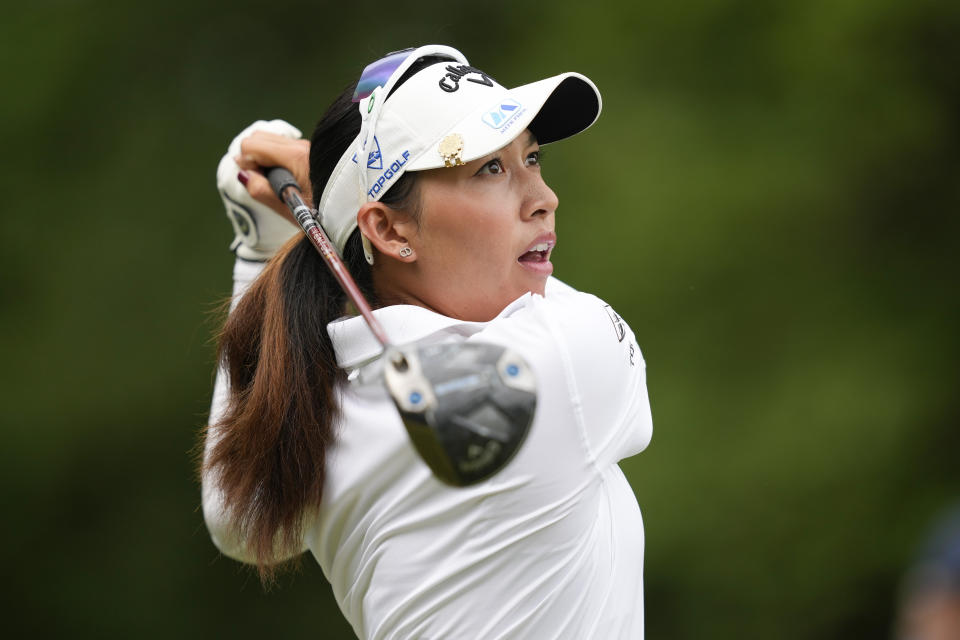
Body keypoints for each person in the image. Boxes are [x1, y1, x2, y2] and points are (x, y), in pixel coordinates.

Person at [201, 45, 654, 639]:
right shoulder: (569, 359)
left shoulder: (312, 405)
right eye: (488, 168)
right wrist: (326, 205)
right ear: (388, 230)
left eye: (532, 157)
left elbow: (235, 514)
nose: (544, 197)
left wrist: (260, 251)